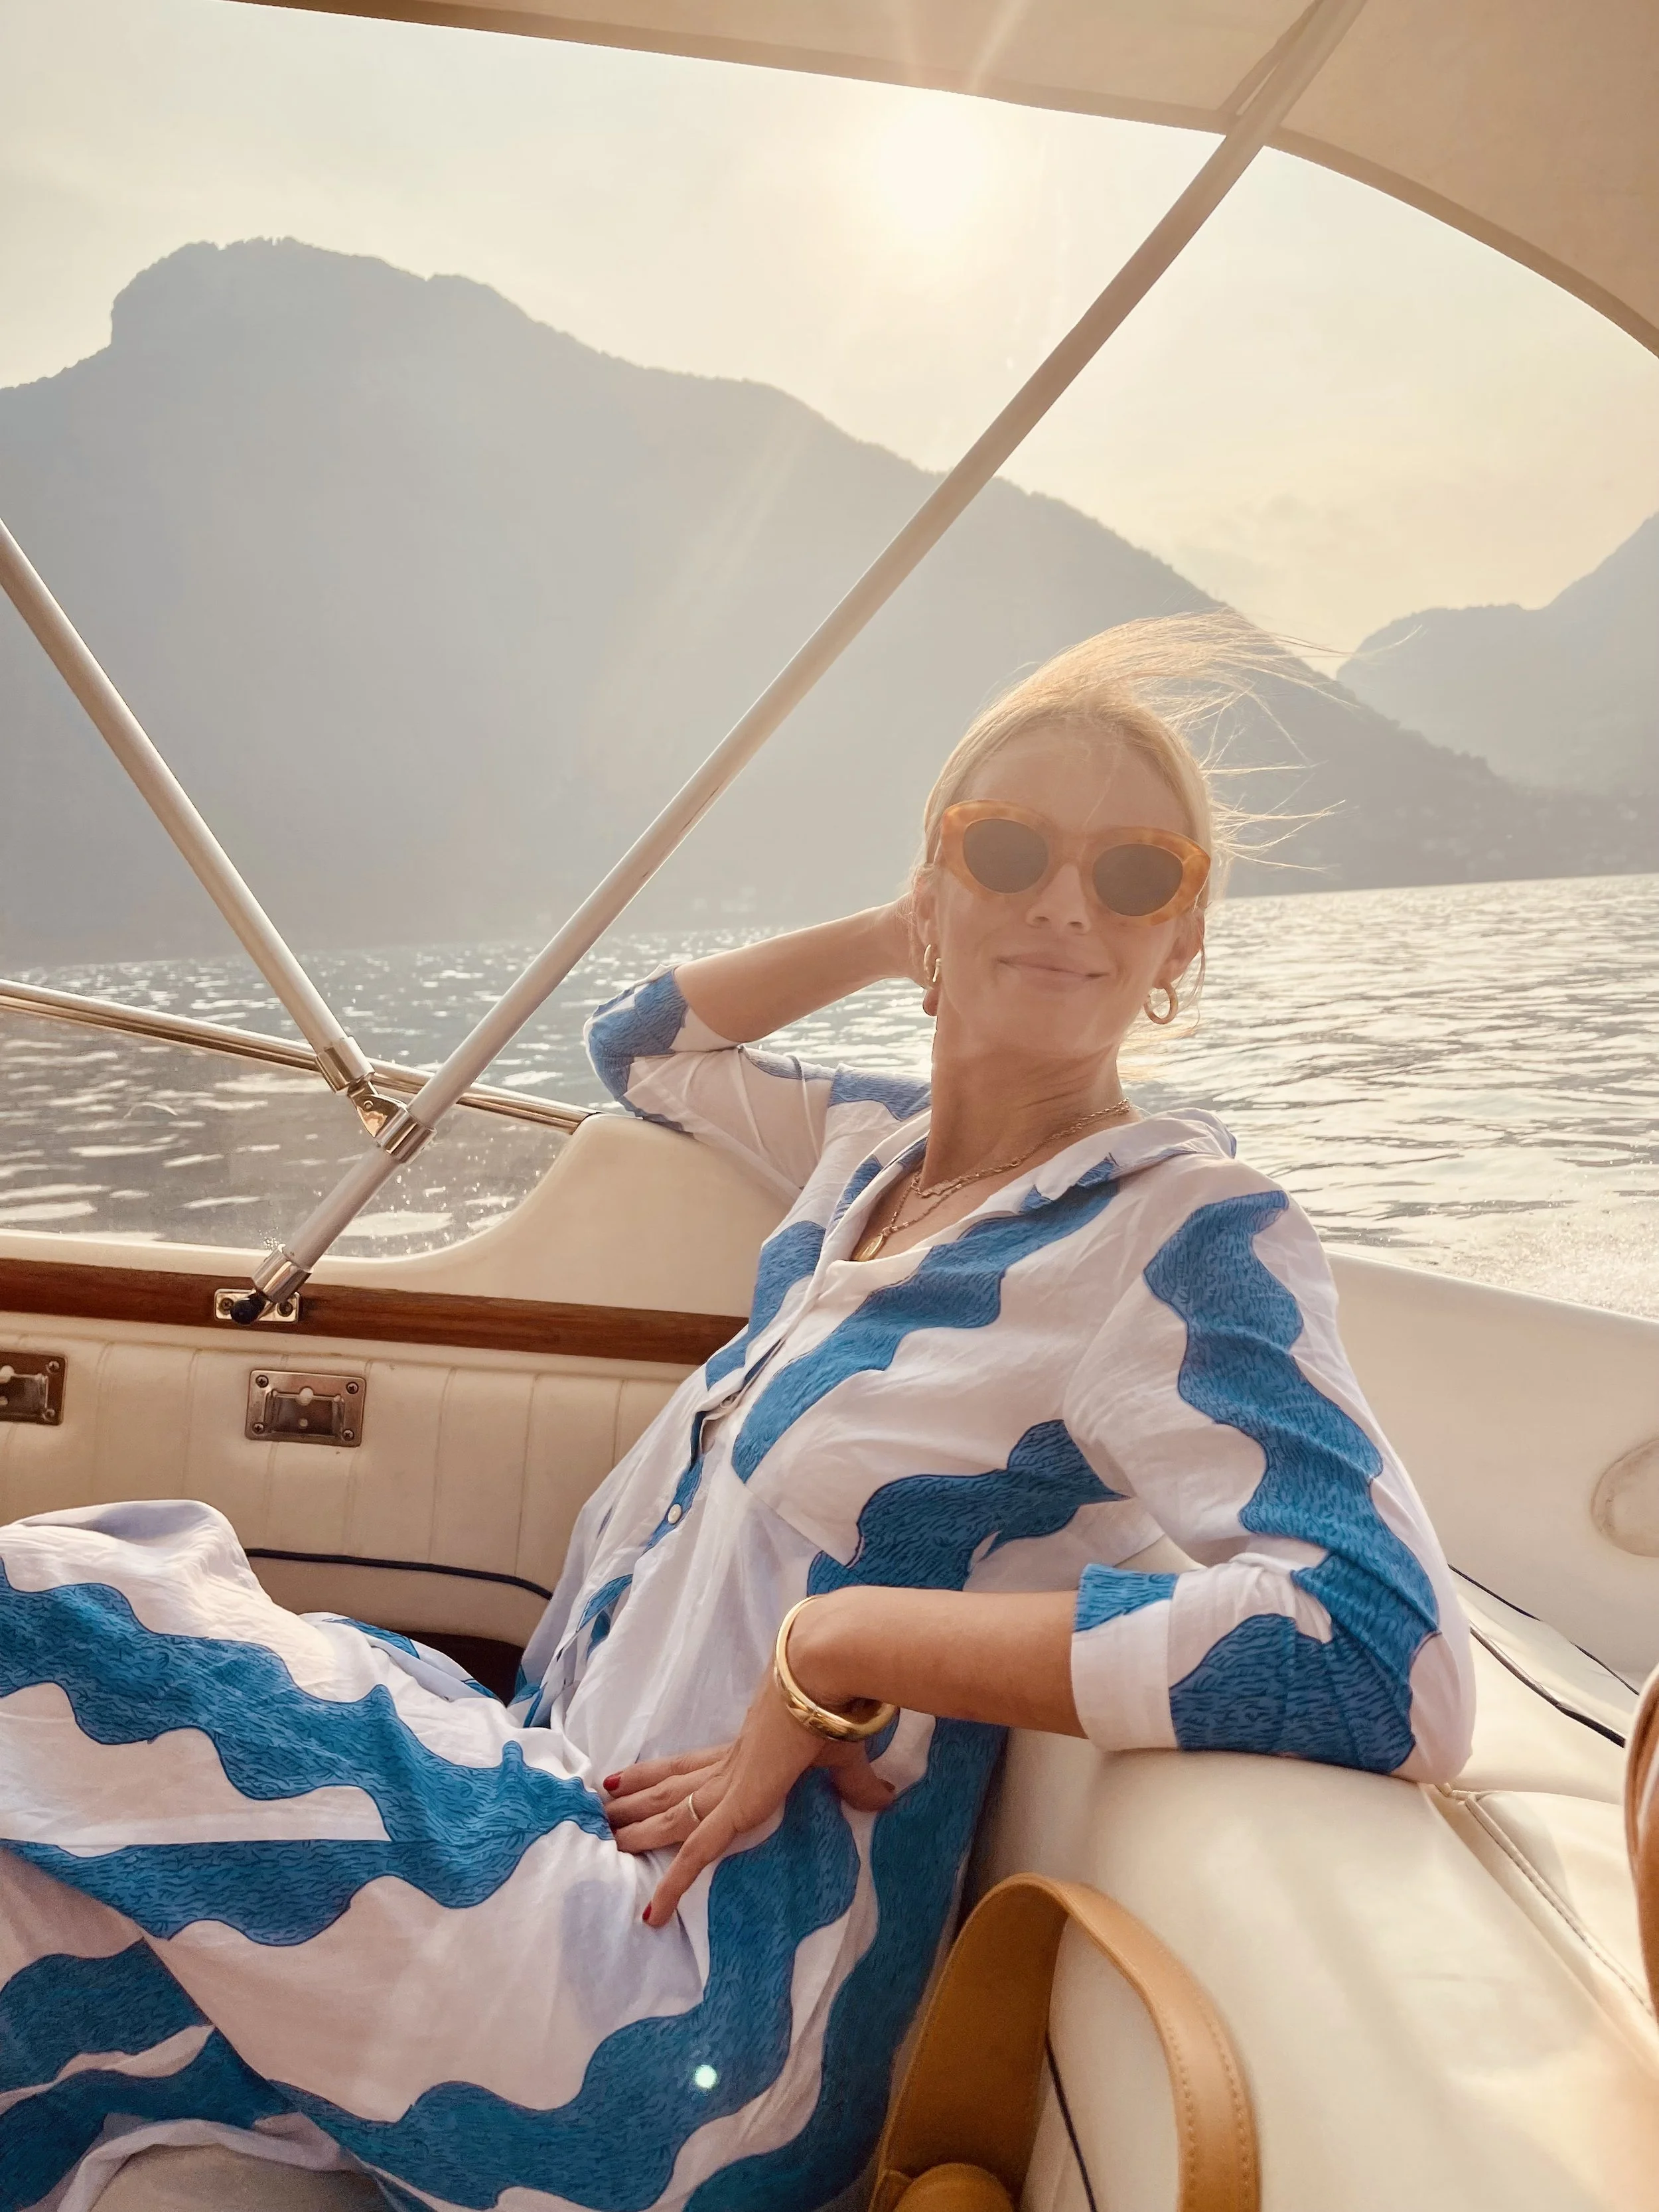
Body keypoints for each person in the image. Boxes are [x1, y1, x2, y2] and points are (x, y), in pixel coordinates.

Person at [0, 619, 1473, 2212]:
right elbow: (640, 1044)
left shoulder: (1175, 1232)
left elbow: (1380, 1651)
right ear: (933, 878)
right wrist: (900, 928)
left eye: (1131, 877)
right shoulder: (866, 1153)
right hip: (550, 1805)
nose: (1064, 900)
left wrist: (844, 1652)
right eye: (1008, 848)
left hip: (682, 1999)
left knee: (68, 1605)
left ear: (1179, 939)